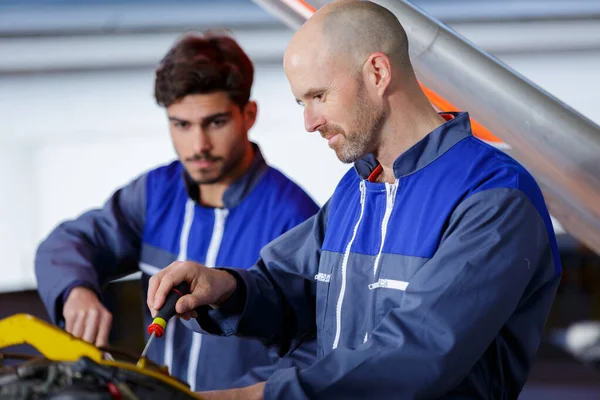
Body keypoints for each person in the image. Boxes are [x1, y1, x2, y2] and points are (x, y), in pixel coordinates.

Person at [147, 1, 562, 399]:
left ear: (378, 72)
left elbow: (416, 354)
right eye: (301, 102)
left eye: (318, 96)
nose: (309, 123)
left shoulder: (493, 197)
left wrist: (256, 398)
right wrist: (225, 288)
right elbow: (293, 286)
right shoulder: (358, 190)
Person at [34, 31, 320, 392]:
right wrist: (76, 292)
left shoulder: (297, 220)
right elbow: (69, 243)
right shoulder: (155, 194)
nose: (198, 145)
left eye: (215, 122)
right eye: (181, 125)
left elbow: (311, 354)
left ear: (249, 115)